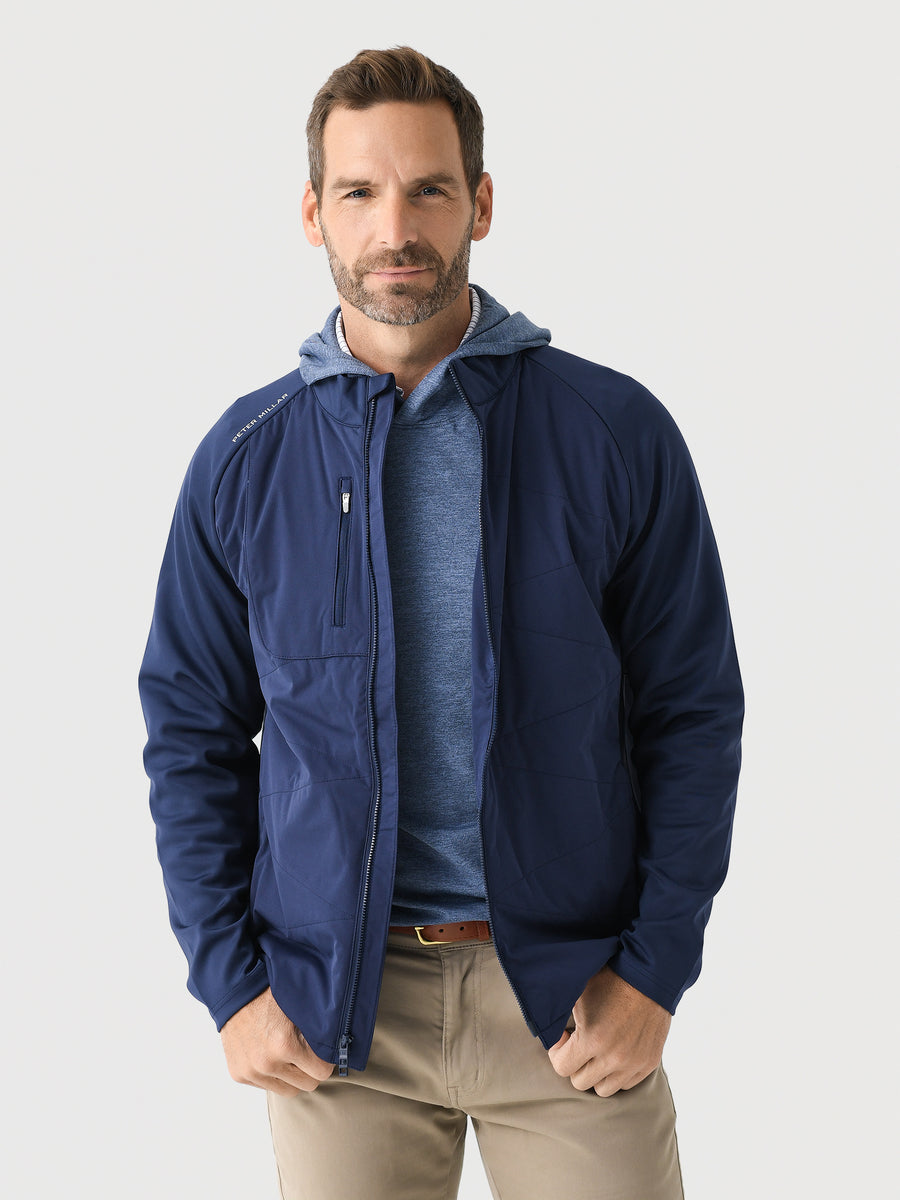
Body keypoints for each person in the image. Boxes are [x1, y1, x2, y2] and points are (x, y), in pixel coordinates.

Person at [139, 46, 743, 1200]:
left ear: (482, 202)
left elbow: (693, 713)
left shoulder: (614, 432)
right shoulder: (246, 459)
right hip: (337, 1019)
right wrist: (232, 985)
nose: (395, 228)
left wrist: (654, 973)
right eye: (359, 192)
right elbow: (191, 733)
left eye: (429, 189)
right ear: (313, 213)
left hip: (569, 997)